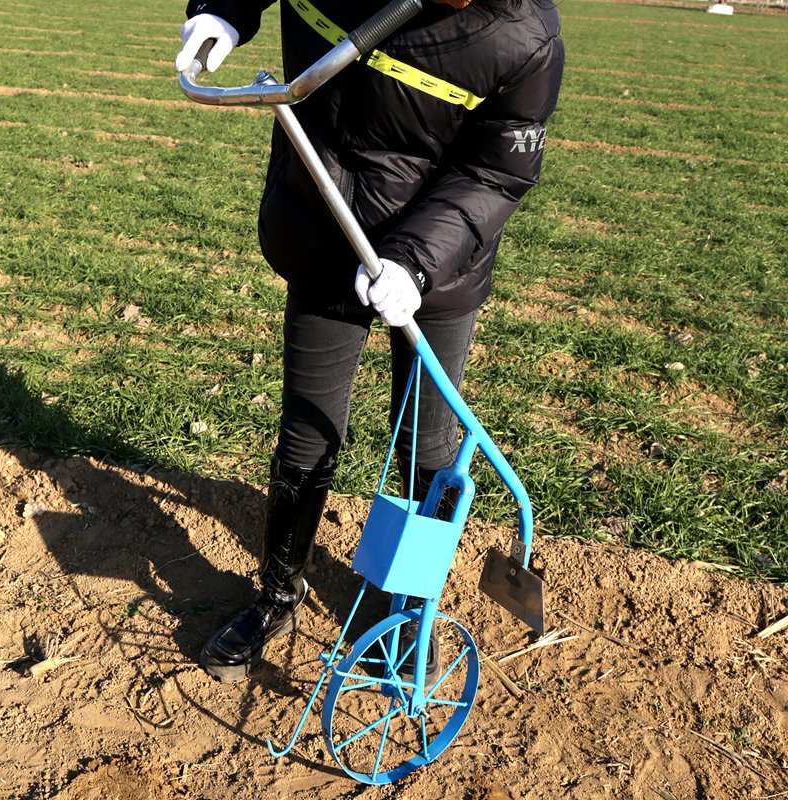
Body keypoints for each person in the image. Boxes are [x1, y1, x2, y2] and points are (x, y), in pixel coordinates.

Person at [175, 0, 564, 685]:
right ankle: (278, 594)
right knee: (306, 433)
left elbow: (497, 172)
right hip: (324, 236)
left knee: (427, 447)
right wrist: (224, 10)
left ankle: (408, 611)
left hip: (435, 275)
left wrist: (416, 261)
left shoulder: (522, 37)